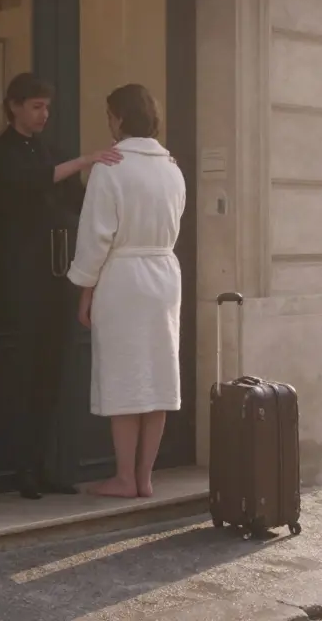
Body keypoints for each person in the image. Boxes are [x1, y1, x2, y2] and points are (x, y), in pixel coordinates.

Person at [0, 73, 122, 500]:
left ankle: (46, 467)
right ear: (14, 107)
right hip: (20, 278)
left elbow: (76, 203)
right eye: (37, 106)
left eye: (47, 107)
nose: (44, 115)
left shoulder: (52, 151)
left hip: (57, 277)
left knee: (51, 375)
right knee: (21, 376)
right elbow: (25, 184)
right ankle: (20, 470)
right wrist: (83, 162)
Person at [66, 84, 186, 499]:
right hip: (165, 276)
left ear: (119, 117)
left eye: (109, 115)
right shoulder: (171, 167)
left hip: (124, 277)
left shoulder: (111, 165)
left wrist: (85, 290)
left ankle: (123, 477)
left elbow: (96, 236)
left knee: (124, 377)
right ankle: (146, 478)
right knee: (157, 376)